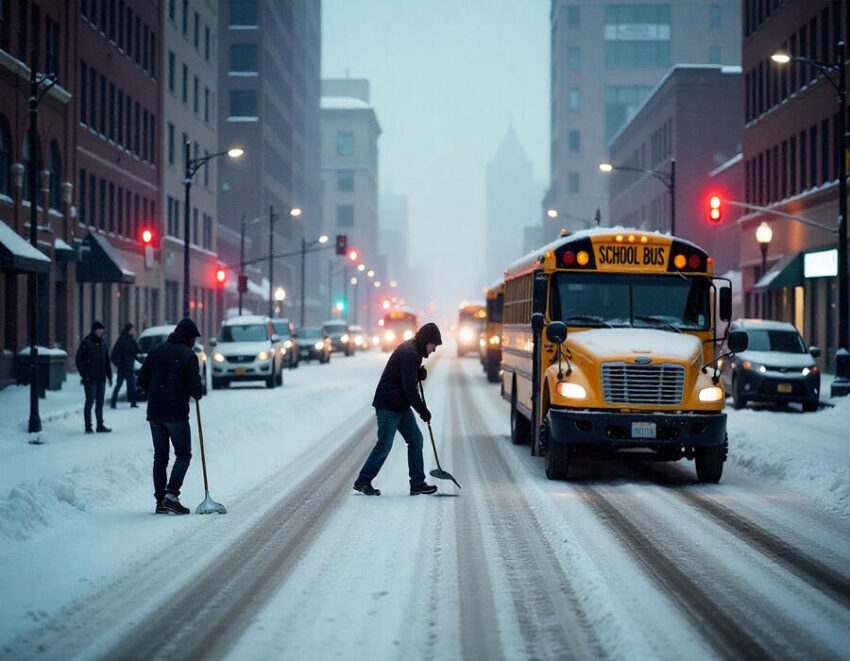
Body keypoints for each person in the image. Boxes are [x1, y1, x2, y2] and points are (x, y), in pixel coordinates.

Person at [354, 322, 442, 496]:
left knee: (416, 440)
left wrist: (417, 374)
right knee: (384, 445)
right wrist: (422, 409)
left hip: (399, 403)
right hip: (388, 404)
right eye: (434, 345)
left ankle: (417, 483)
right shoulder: (410, 352)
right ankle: (363, 481)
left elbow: (405, 377)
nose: (434, 350)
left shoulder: (414, 351)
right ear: (427, 340)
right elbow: (409, 388)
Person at [138, 318, 204, 515]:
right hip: (176, 414)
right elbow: (196, 389)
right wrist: (195, 391)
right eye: (193, 338)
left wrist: (156, 392)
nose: (194, 342)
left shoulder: (156, 351)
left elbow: (142, 380)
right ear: (189, 338)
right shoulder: (188, 356)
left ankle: (160, 500)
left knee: (160, 457)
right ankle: (171, 495)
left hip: (155, 413)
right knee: (183, 454)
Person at [75, 321, 113, 433]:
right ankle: (88, 426)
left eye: (102, 330)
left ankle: (100, 425)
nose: (101, 332)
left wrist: (109, 376)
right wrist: (85, 375)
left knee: (100, 402)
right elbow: (79, 360)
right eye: (99, 330)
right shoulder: (87, 343)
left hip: (101, 378)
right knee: (89, 402)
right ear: (94, 330)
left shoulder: (102, 344)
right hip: (90, 379)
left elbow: (106, 361)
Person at [110, 323, 141, 409]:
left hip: (128, 367)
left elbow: (136, 352)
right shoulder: (122, 340)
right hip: (123, 367)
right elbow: (113, 356)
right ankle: (114, 402)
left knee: (131, 385)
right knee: (121, 385)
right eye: (133, 329)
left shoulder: (131, 340)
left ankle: (133, 402)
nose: (134, 331)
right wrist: (120, 364)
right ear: (129, 330)